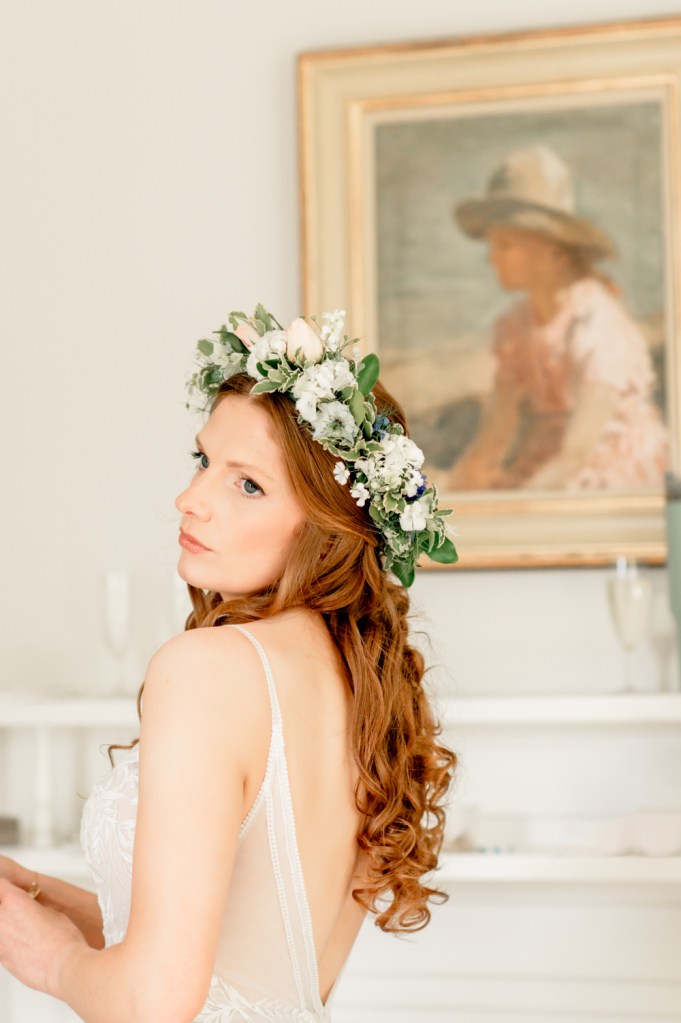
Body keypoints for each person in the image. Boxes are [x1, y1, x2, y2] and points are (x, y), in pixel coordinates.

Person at [0, 305, 458, 1022]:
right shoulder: (362, 684)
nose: (191, 499)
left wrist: (53, 961)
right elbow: (250, 959)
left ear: (329, 526)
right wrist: (64, 914)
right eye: (203, 461)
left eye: (247, 484)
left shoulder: (208, 667)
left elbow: (159, 1001)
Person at [435, 144, 668, 492]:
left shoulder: (599, 326)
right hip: (547, 467)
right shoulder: (515, 327)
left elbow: (578, 453)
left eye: (505, 245)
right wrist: (455, 485)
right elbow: (493, 439)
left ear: (554, 251)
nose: (492, 259)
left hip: (608, 474)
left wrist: (520, 503)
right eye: (492, 245)